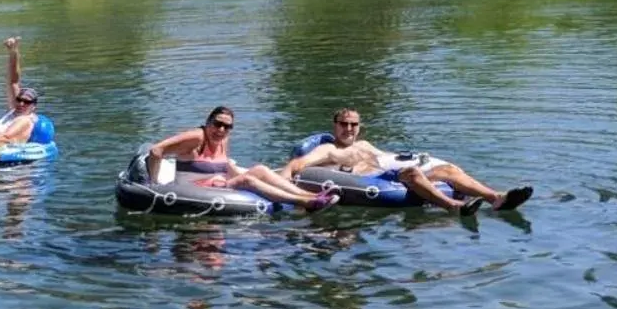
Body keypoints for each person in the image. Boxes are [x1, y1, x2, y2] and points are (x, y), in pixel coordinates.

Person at [282, 108, 532, 216]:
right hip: (368, 183)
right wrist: (284, 188)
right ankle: (453, 207)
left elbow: (389, 159)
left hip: (388, 177)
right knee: (412, 174)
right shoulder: (329, 149)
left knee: (448, 169)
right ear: (334, 126)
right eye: (343, 124)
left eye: (353, 124)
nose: (349, 128)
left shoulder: (365, 145)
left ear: (360, 127)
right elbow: (297, 165)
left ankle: (496, 199)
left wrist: (422, 161)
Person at [144, 107, 339, 212]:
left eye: (226, 127)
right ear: (208, 123)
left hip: (218, 186)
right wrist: (154, 184)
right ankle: (304, 203)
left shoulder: (223, 140)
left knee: (260, 170)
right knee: (247, 180)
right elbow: (156, 151)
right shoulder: (197, 137)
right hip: (193, 191)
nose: (221, 130)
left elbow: (225, 167)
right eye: (217, 124)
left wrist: (248, 175)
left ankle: (312, 196)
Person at [0, 37, 41, 150]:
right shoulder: (14, 110)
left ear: (34, 106)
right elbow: (13, 81)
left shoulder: (25, 120)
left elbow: (5, 137)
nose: (21, 104)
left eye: (27, 102)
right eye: (19, 100)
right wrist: (13, 52)